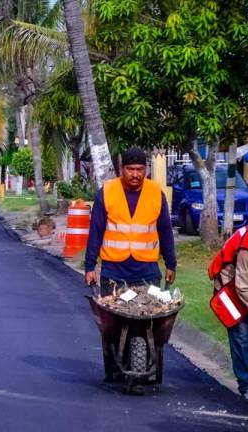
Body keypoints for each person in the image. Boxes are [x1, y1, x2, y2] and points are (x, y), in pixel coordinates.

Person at [84, 147, 177, 382]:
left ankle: (150, 363)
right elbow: (96, 231)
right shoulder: (107, 192)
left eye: (140, 169)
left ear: (146, 169)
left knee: (150, 318)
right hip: (114, 270)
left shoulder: (156, 193)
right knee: (111, 325)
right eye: (130, 169)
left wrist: (171, 264)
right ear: (121, 169)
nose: (135, 174)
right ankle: (112, 368)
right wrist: (89, 266)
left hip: (146, 270)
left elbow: (165, 232)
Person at [208, 227, 248, 400]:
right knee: (241, 337)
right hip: (229, 290)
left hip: (242, 286)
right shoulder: (247, 248)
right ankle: (246, 386)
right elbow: (242, 285)